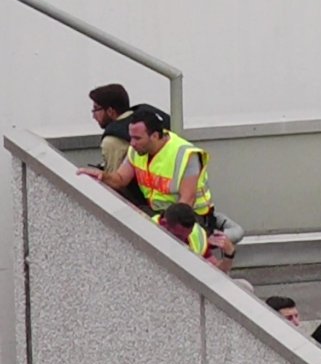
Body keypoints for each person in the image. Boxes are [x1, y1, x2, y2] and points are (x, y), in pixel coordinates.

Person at [77, 108, 216, 231]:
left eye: (137, 138)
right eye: (131, 137)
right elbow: (120, 179)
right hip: (158, 213)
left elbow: (187, 202)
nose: (132, 143)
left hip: (191, 219)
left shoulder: (186, 155)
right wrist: (102, 175)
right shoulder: (137, 150)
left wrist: (158, 224)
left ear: (154, 136)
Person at [88, 83, 170, 209]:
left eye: (96, 109)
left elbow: (114, 186)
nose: (93, 115)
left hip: (142, 206)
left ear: (110, 111)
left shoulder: (112, 140)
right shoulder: (148, 115)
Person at [155, 203, 237, 273]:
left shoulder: (198, 235)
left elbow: (216, 274)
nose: (184, 241)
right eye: (179, 236)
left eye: (188, 234)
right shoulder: (147, 231)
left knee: (245, 285)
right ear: (163, 223)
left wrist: (229, 255)